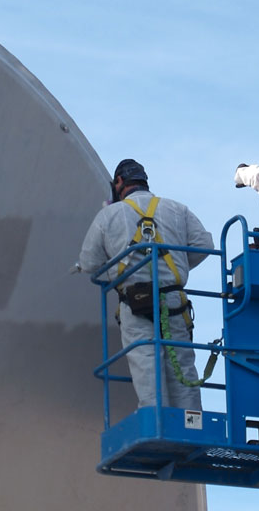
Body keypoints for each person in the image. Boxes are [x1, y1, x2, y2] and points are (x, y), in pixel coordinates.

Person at [79, 159, 213, 410]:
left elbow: (89, 263)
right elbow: (204, 246)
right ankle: (191, 424)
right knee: (182, 365)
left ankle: (156, 425)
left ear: (119, 183)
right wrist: (176, 267)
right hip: (174, 301)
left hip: (136, 301)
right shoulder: (176, 209)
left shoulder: (109, 215)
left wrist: (119, 274)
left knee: (147, 364)